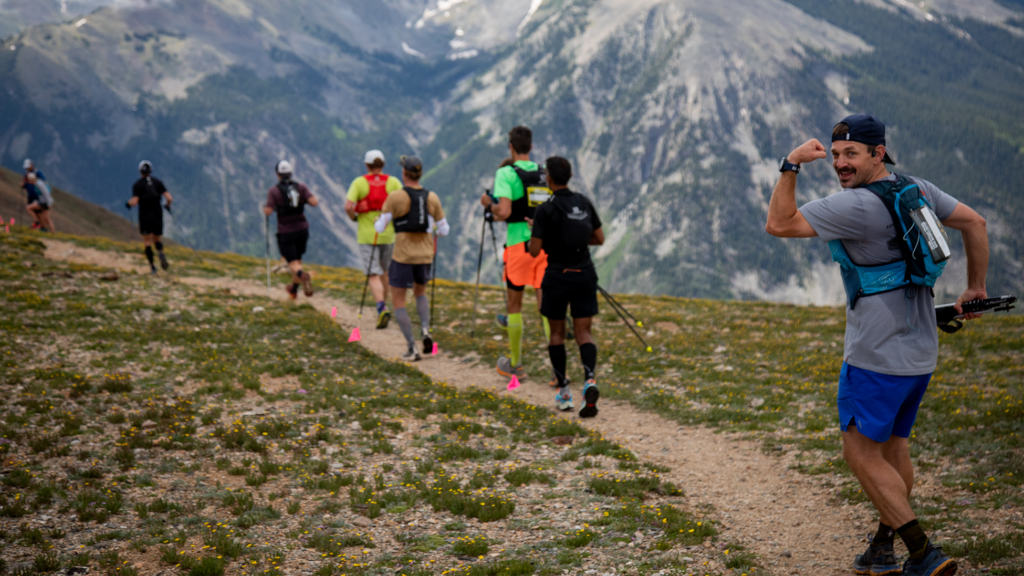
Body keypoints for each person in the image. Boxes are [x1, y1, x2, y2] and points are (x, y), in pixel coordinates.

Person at [765, 114, 988, 576]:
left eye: (853, 154)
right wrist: (975, 288)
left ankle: (923, 552)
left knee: (860, 452)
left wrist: (789, 165)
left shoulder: (855, 206)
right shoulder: (917, 188)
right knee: (893, 449)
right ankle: (882, 550)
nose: (841, 164)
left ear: (877, 154)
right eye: (837, 154)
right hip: (920, 352)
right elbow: (975, 222)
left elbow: (779, 223)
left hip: (875, 355)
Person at [529, 157, 604, 417]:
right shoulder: (583, 202)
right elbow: (599, 238)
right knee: (584, 334)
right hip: (585, 273)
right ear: (569, 176)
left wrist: (538, 233)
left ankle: (563, 391)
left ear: (549, 178)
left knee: (557, 335)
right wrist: (575, 243)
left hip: (557, 276)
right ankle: (590, 380)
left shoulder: (545, 209)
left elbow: (535, 250)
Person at [479, 126, 553, 380]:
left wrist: (488, 202)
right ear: (531, 147)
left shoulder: (506, 173)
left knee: (514, 306)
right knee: (546, 306)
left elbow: (505, 212)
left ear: (510, 147)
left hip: (518, 246)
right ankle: (557, 369)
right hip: (544, 246)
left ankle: (516, 364)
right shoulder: (545, 173)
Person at [374, 155, 449, 362]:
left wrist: (376, 221)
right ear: (421, 173)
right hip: (425, 255)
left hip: (403, 255)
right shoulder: (432, 197)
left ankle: (411, 348)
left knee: (398, 300)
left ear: (404, 173)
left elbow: (380, 227)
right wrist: (432, 228)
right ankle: (425, 330)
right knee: (420, 292)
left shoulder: (395, 197)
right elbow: (444, 230)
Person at [345, 150, 402, 329]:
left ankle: (380, 306)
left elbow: (348, 206)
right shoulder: (393, 182)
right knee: (384, 271)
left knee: (372, 273)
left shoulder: (359, 183)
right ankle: (384, 304)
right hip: (388, 233)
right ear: (383, 164)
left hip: (367, 235)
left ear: (367, 165)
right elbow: (403, 202)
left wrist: (354, 217)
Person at [263, 160, 319, 300]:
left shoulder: (274, 191)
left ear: (277, 174)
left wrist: (268, 207)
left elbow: (268, 211)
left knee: (292, 263)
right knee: (297, 261)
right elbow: (314, 202)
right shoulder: (301, 187)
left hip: (286, 231)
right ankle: (293, 290)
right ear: (290, 173)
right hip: (302, 229)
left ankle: (302, 275)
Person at [127, 161, 173, 274]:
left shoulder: (137, 185)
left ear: (140, 171)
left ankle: (153, 267)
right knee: (157, 239)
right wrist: (167, 206)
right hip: (157, 213)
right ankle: (160, 252)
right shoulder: (158, 182)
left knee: (147, 242)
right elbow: (169, 198)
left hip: (145, 214)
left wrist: (128, 204)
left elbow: (135, 201)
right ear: (150, 171)